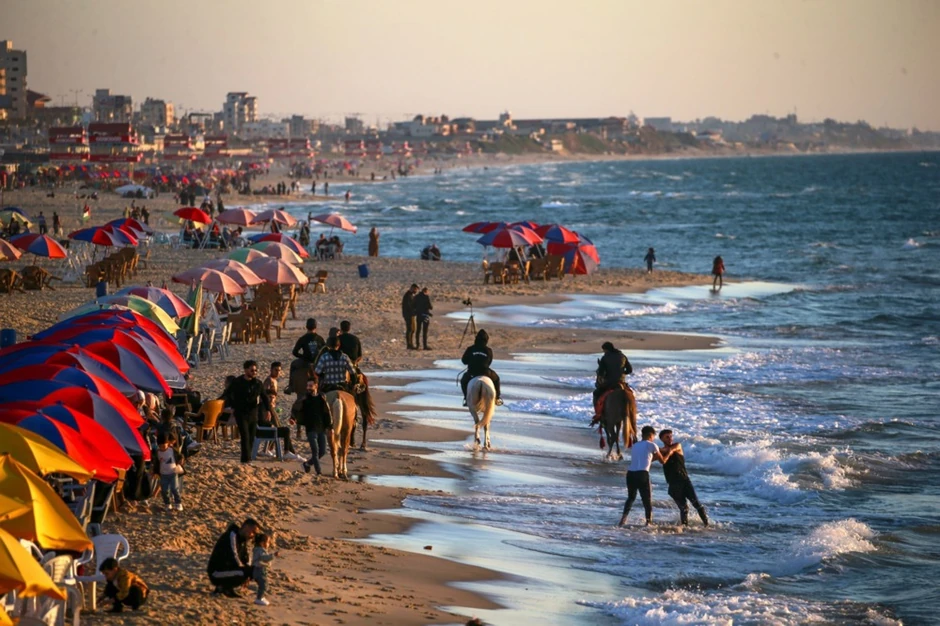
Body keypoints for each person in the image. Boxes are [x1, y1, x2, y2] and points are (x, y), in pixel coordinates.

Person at [619, 426, 675, 527]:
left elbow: (646, 457)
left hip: (630, 474)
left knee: (631, 498)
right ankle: (648, 523)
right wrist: (669, 452)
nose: (654, 438)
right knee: (647, 500)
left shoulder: (635, 445)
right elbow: (663, 461)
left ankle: (623, 520)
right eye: (653, 436)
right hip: (642, 474)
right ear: (650, 435)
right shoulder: (652, 445)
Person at [222, 361, 272, 463]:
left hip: (253, 413)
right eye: (252, 370)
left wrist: (268, 410)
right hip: (240, 412)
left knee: (252, 436)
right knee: (245, 436)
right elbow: (228, 393)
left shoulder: (258, 383)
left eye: (255, 370)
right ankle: (246, 459)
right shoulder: (238, 382)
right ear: (245, 370)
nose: (254, 372)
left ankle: (248, 457)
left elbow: (265, 397)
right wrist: (232, 405)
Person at [659, 429, 709, 527]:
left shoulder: (677, 446)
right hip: (673, 484)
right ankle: (684, 528)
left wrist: (656, 449)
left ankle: (707, 525)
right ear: (662, 439)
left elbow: (669, 450)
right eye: (667, 437)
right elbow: (651, 458)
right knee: (684, 508)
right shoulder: (661, 453)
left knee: (697, 504)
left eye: (671, 436)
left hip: (684, 480)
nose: (670, 439)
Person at [208, 518, 259, 597]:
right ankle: (222, 587)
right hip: (216, 572)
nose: (253, 535)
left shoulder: (242, 540)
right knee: (245, 572)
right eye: (253, 532)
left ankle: (227, 588)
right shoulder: (232, 535)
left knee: (251, 571)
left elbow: (246, 558)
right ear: (246, 527)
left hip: (228, 570)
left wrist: (249, 570)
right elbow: (234, 556)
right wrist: (246, 571)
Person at [460, 329, 503, 406]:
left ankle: (466, 398)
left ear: (476, 339)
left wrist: (471, 361)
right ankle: (497, 398)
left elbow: (464, 361)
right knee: (496, 379)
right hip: (485, 372)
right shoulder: (489, 350)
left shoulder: (470, 349)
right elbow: (489, 362)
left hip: (472, 372)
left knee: (463, 381)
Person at [299, 377, 332, 475]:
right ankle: (319, 472)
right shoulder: (305, 399)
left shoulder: (322, 398)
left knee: (322, 451)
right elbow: (297, 409)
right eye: (307, 386)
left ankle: (307, 464)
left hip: (321, 428)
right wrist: (294, 418)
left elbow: (327, 413)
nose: (308, 388)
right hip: (310, 429)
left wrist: (330, 427)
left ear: (316, 386)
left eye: (310, 386)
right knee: (315, 451)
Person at [592, 342, 633, 420]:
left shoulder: (605, 357)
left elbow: (601, 372)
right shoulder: (622, 356)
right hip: (621, 382)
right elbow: (630, 370)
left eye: (604, 350)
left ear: (606, 350)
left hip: (609, 383)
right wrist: (622, 374)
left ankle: (599, 415)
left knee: (596, 394)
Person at [154, 433, 183, 511]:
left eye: (164, 446)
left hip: (173, 473)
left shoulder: (172, 450)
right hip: (163, 474)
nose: (162, 448)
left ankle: (178, 503)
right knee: (164, 490)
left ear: (168, 443)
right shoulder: (157, 452)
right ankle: (167, 504)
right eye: (160, 446)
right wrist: (155, 472)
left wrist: (180, 462)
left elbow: (180, 456)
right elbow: (156, 463)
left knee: (174, 488)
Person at [252, 533, 278, 606]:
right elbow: (264, 558)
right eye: (268, 542)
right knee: (263, 585)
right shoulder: (259, 550)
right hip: (258, 570)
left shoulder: (259, 550)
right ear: (262, 543)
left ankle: (261, 597)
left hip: (261, 570)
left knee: (263, 584)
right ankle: (259, 598)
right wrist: (273, 555)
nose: (268, 544)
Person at [402, 283, 419, 350]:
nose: (416, 291)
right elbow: (409, 306)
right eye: (415, 289)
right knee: (410, 329)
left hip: (411, 315)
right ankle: (409, 345)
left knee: (412, 329)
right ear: (412, 288)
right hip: (408, 315)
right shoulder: (408, 296)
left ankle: (410, 344)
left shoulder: (410, 295)